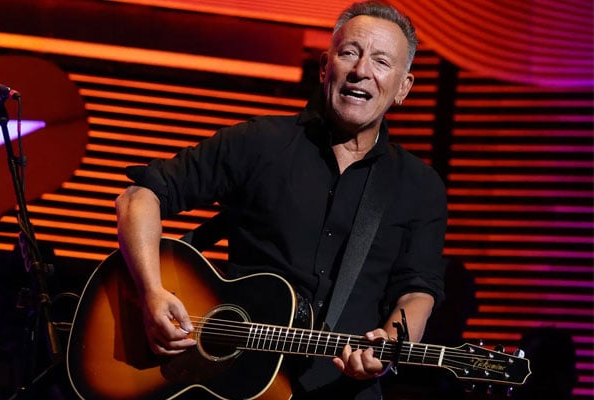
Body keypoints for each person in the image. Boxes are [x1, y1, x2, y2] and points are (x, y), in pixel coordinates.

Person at [115, 1, 447, 399]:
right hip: (228, 382)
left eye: (381, 61)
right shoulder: (258, 143)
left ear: (403, 87)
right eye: (349, 53)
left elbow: (417, 290)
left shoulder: (419, 185)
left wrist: (389, 345)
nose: (361, 71)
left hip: (341, 389)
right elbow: (139, 197)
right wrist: (151, 291)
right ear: (325, 67)